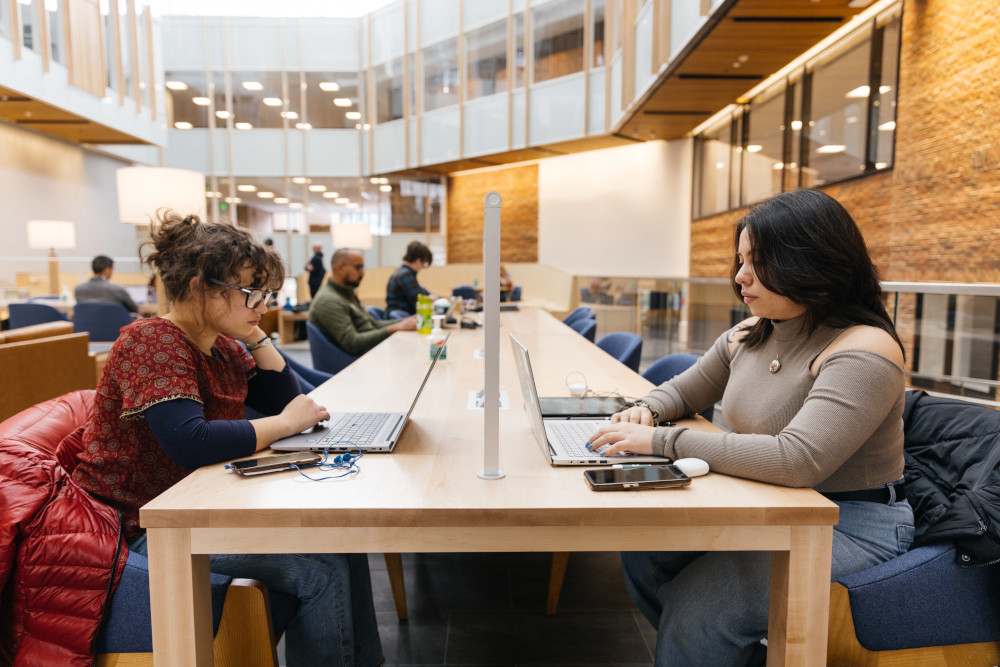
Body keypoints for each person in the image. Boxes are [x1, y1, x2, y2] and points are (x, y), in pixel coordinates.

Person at [587, 189, 914, 666]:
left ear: (810, 261)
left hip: (847, 522)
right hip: (768, 504)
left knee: (700, 607)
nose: (740, 276)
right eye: (740, 260)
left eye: (758, 262)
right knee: (645, 554)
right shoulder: (750, 333)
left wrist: (660, 440)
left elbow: (797, 459)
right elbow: (680, 392)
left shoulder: (864, 349)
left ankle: (700, 639)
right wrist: (647, 410)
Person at [70, 213, 383, 666]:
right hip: (139, 531)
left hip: (192, 512)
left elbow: (284, 396)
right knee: (321, 570)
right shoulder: (153, 341)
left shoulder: (222, 346)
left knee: (346, 545)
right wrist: (284, 425)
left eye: (266, 294)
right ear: (200, 287)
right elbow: (192, 442)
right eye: (251, 292)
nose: (262, 304)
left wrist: (254, 330)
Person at [311, 248, 417, 355]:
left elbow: (372, 324)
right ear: (341, 267)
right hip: (353, 363)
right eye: (358, 268)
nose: (363, 273)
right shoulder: (329, 300)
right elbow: (352, 343)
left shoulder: (346, 293)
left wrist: (405, 322)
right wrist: (395, 328)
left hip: (368, 354)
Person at [385, 241, 437, 315]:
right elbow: (418, 303)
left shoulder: (401, 272)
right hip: (401, 318)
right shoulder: (405, 275)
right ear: (418, 260)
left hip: (396, 316)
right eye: (424, 263)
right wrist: (430, 299)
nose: (422, 267)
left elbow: (421, 293)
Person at [74, 255, 139, 313]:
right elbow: (135, 309)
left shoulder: (78, 289)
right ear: (107, 269)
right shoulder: (117, 289)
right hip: (115, 326)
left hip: (87, 326)